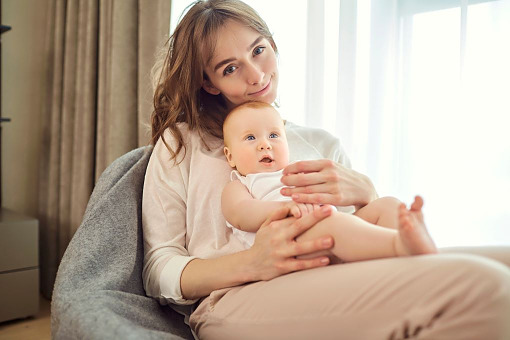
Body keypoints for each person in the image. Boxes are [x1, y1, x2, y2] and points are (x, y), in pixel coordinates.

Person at [142, 1, 510, 339]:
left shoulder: (321, 142)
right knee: (486, 288)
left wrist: (368, 193)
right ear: (209, 82)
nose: (256, 76)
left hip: (334, 268)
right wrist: (252, 263)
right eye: (230, 67)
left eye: (259, 50)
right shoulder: (183, 143)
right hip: (238, 295)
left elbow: (359, 228)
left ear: (272, 43)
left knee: (503, 267)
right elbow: (159, 268)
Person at [221, 101, 437, 262]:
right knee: (336, 224)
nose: (264, 145)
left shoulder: (298, 171)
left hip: (328, 224)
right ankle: (398, 245)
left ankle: (410, 242)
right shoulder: (240, 185)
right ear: (230, 156)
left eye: (274, 136)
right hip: (291, 242)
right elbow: (242, 214)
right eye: (251, 138)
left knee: (386, 204)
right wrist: (286, 207)